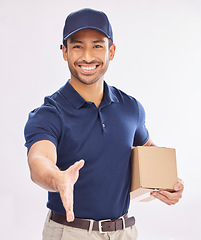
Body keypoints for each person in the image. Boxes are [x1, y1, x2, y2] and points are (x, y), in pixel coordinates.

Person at [24, 8, 184, 240]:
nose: (87, 57)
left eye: (97, 46)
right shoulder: (49, 113)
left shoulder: (131, 107)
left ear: (112, 51)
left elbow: (148, 151)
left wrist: (170, 184)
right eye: (78, 46)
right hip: (71, 233)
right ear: (64, 52)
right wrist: (58, 179)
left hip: (124, 232)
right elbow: (39, 160)